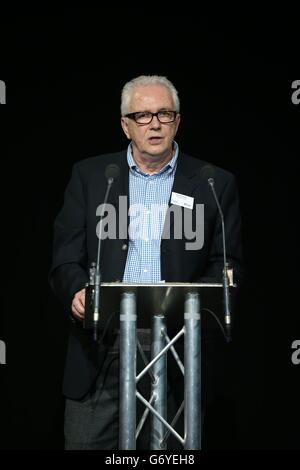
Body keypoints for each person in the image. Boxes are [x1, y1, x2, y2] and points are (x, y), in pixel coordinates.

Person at [49, 75, 243, 450]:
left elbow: (227, 263)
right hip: (102, 342)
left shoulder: (213, 183)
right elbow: (64, 259)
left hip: (178, 345)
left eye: (164, 114)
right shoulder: (92, 177)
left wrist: (224, 283)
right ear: (125, 126)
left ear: (177, 121)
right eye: (142, 115)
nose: (154, 124)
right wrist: (75, 290)